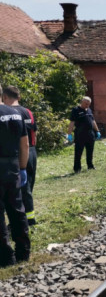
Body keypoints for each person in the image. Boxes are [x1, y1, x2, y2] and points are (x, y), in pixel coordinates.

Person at [0, 84, 31, 268]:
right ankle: (23, 252)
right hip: (13, 165)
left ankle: (5, 257)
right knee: (17, 208)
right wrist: (22, 168)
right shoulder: (16, 113)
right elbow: (25, 144)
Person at [2, 86, 38, 226]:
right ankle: (29, 216)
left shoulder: (9, 113)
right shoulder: (28, 112)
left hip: (18, 154)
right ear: (19, 97)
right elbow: (34, 132)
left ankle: (25, 220)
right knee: (29, 185)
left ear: (4, 97)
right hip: (32, 152)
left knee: (20, 189)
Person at [67, 97, 101, 173]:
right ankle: (77, 168)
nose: (87, 105)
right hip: (80, 134)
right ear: (82, 102)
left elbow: (93, 121)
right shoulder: (75, 110)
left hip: (90, 134)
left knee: (90, 151)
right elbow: (72, 122)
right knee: (78, 152)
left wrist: (97, 131)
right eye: (86, 103)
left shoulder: (89, 110)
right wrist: (69, 134)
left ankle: (90, 165)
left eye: (89, 104)